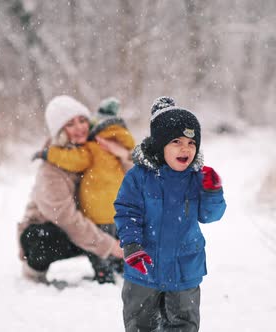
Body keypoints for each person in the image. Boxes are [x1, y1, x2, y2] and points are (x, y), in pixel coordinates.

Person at [114, 96, 227, 331]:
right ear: (159, 145)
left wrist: (213, 192)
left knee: (184, 325)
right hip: (144, 268)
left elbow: (210, 215)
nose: (185, 148)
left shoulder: (197, 178)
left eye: (191, 143)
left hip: (184, 270)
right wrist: (132, 245)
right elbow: (127, 213)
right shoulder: (138, 177)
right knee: (140, 323)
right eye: (176, 141)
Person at [18, 95, 126, 285]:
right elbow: (68, 220)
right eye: (70, 124)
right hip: (52, 228)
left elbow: (135, 180)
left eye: (83, 120)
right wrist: (110, 246)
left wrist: (123, 154)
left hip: (90, 223)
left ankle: (118, 264)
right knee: (45, 240)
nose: (80, 128)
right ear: (60, 132)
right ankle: (33, 271)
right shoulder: (50, 171)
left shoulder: (94, 151)